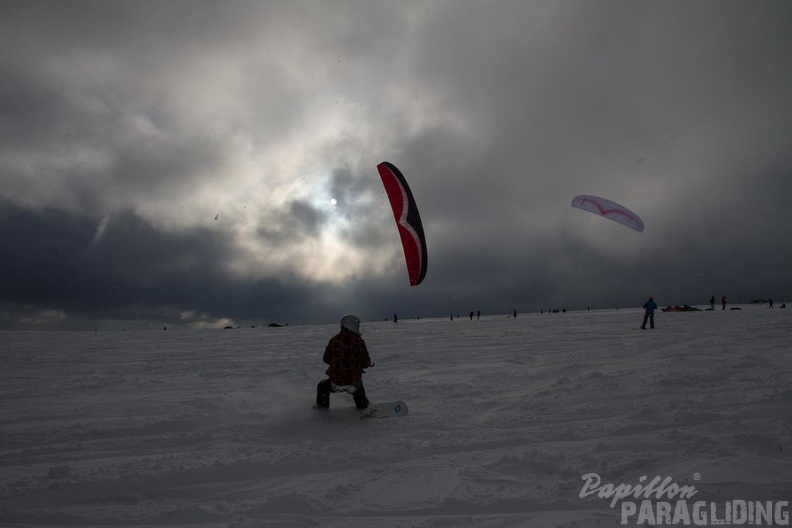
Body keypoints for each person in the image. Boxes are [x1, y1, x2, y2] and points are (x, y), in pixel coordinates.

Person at [315, 314, 373, 411]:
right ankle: (363, 408)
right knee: (358, 386)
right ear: (352, 326)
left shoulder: (334, 340)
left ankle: (322, 411)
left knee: (322, 386)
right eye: (357, 326)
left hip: (335, 383)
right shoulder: (359, 341)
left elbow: (326, 359)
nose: (358, 328)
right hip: (354, 383)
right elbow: (366, 363)